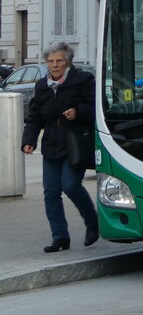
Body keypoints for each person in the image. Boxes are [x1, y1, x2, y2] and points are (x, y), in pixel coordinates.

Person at [21, 42, 100, 252]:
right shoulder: (42, 85)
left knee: (70, 185)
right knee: (51, 192)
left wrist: (78, 111)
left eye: (59, 61)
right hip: (51, 142)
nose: (54, 65)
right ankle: (60, 237)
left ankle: (93, 223)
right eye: (51, 61)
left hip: (74, 141)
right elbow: (34, 116)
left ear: (68, 62)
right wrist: (29, 140)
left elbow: (97, 107)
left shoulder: (83, 80)